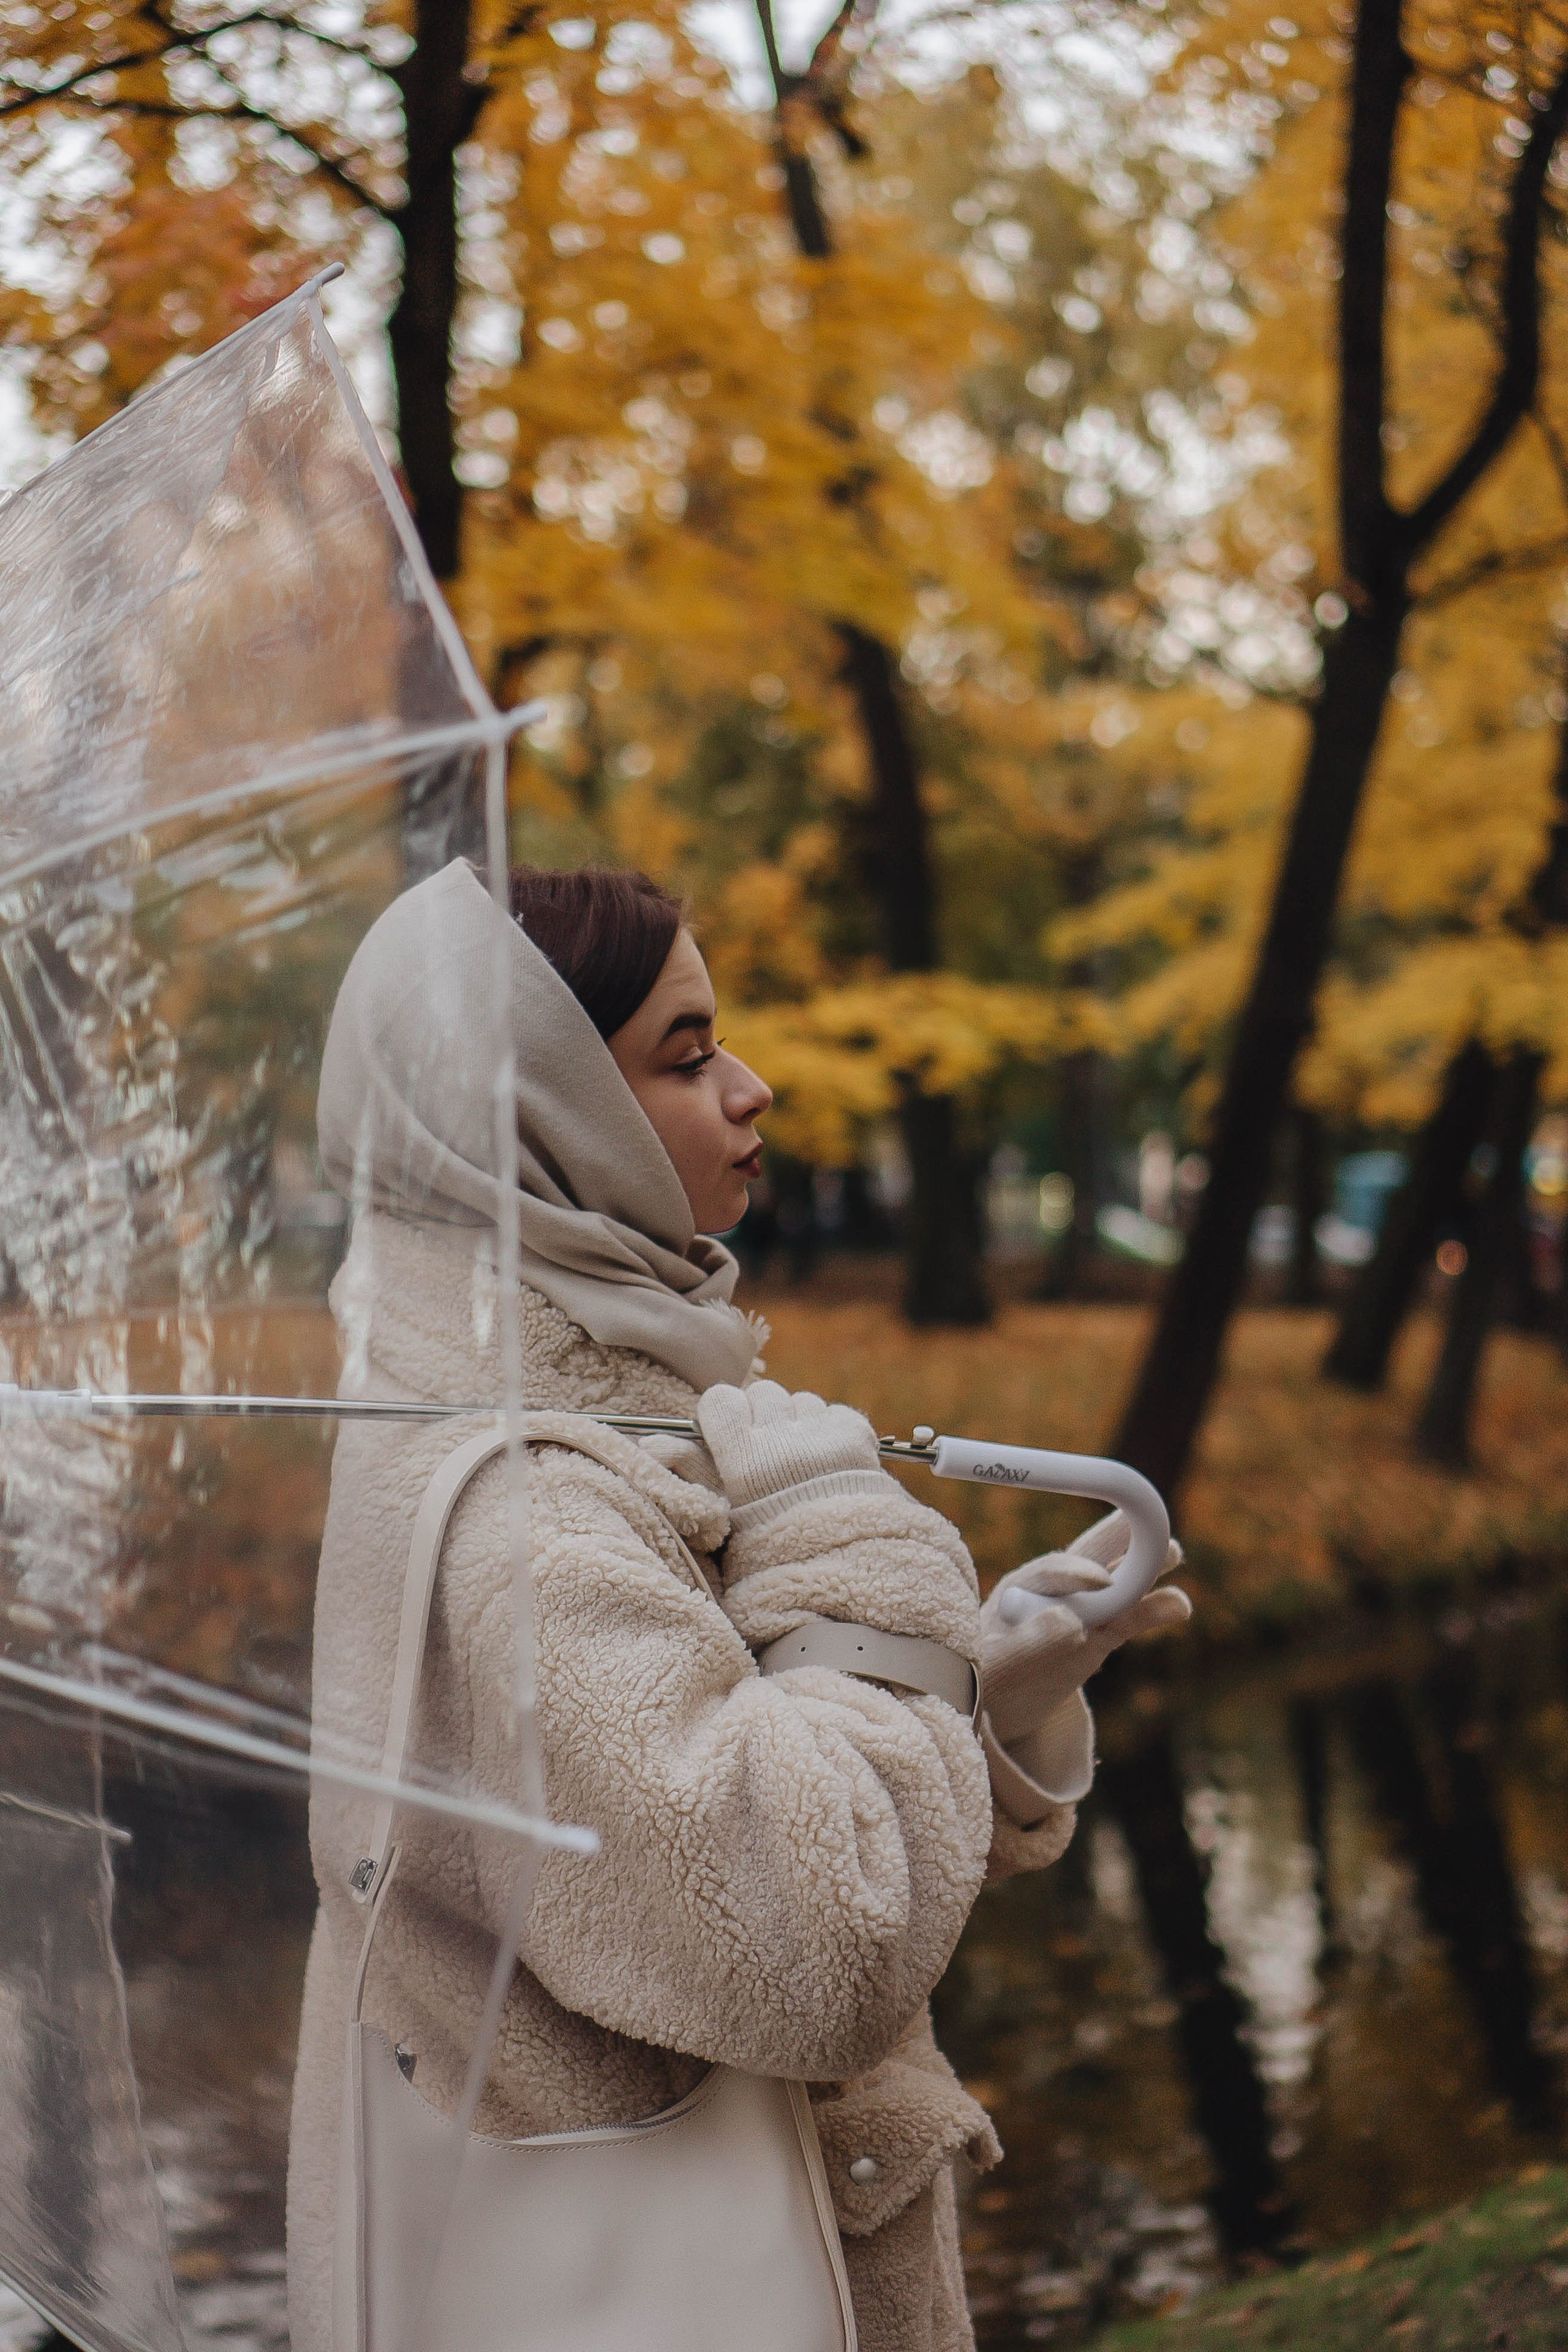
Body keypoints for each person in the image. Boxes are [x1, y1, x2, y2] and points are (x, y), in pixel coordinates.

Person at [285, 856, 1189, 2352]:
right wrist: (840, 1532)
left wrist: (982, 1690)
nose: (754, 1089)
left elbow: (691, 1826)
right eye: (687, 1056)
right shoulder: (527, 1500)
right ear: (542, 1120)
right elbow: (810, 1938)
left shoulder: (580, 1395)